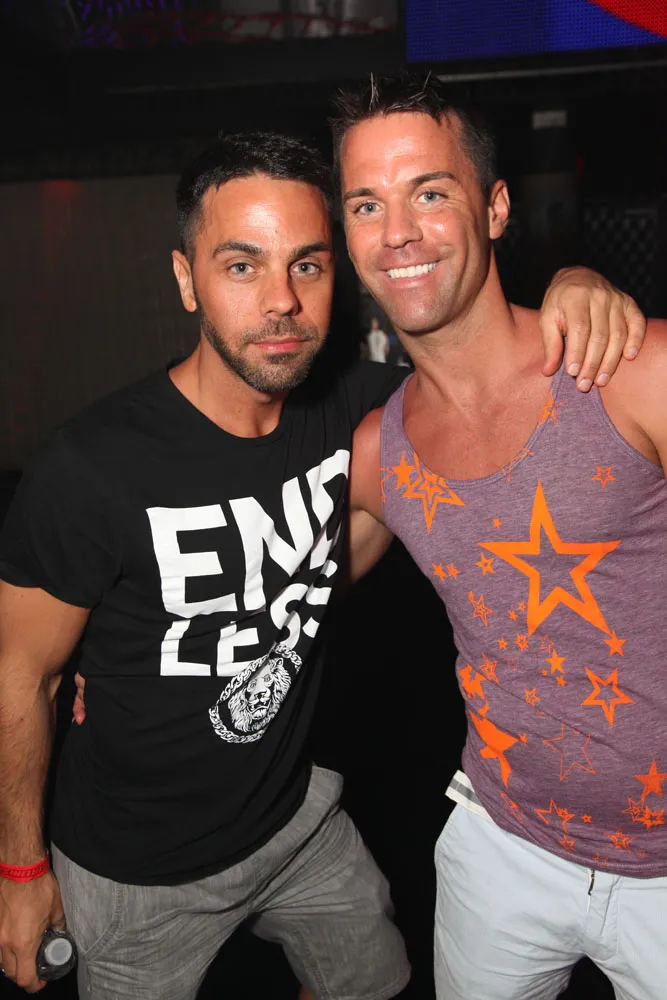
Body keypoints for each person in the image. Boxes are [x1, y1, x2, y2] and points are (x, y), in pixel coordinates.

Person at [0, 128, 642, 999]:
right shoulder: (89, 468)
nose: (281, 302)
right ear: (186, 279)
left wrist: (578, 281)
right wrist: (21, 872)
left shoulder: (363, 410)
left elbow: (477, 371)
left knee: (376, 980)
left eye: (306, 264)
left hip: (295, 820)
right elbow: (20, 674)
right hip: (135, 867)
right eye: (241, 266)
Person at [341, 73, 666, 1000]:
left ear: (494, 208)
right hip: (502, 847)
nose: (396, 232)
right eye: (366, 204)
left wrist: (580, 274)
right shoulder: (378, 453)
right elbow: (279, 600)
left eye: (428, 193)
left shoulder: (633, 371)